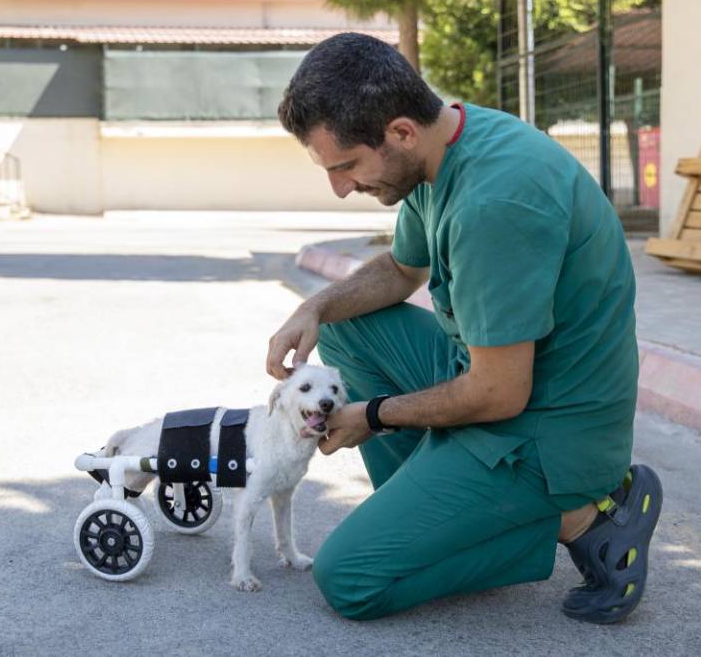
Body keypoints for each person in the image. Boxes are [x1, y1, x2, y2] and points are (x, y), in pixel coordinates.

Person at [266, 32, 662, 623]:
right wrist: (314, 308)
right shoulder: (444, 146)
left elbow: (500, 392)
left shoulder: (492, 204)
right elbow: (402, 269)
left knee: (349, 579)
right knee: (345, 329)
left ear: (400, 131)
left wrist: (372, 416)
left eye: (346, 166)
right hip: (498, 383)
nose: (341, 187)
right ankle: (445, 515)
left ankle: (585, 519)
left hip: (547, 431)